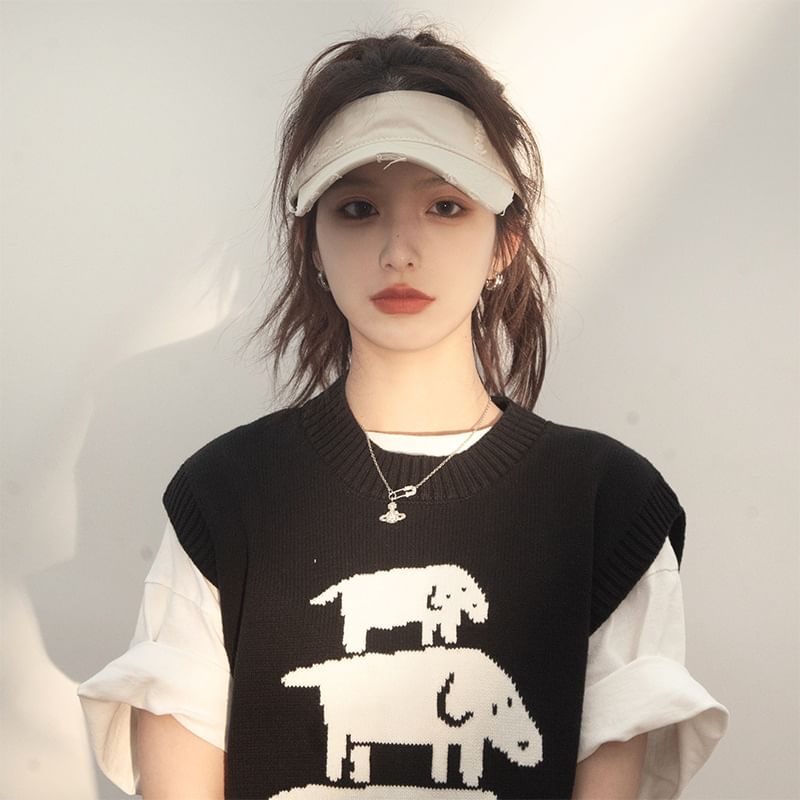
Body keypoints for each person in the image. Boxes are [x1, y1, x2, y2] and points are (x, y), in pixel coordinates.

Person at [77, 27, 729, 799]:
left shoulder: (607, 506)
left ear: (505, 241)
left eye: (446, 206)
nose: (398, 250)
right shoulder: (225, 494)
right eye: (357, 208)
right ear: (311, 242)